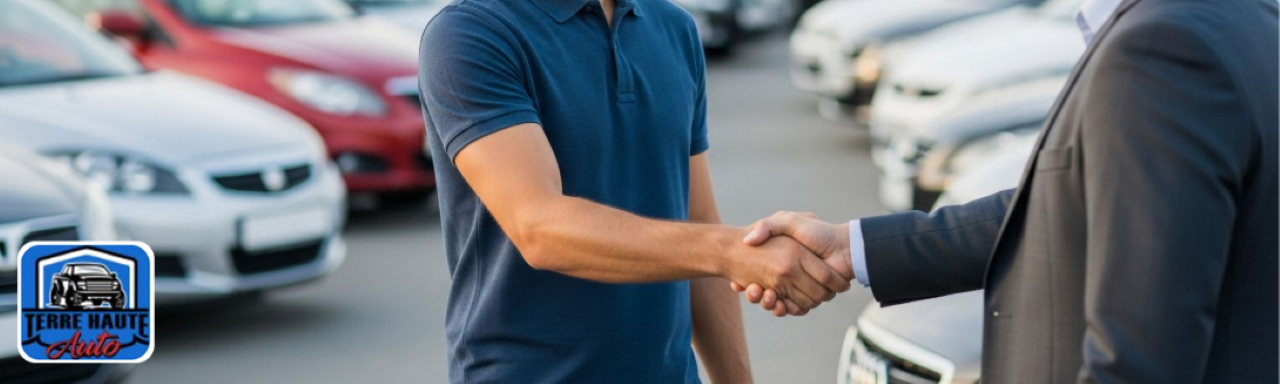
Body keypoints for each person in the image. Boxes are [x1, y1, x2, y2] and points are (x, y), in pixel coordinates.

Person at [735, 0, 1279, 381]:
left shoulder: (1159, 50)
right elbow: (1068, 201)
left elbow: (1140, 363)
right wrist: (852, 249)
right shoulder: (1240, 15)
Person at [417, 0, 851, 382]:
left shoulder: (673, 27)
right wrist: (733, 251)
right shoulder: (470, 33)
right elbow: (539, 227)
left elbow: (698, 223)